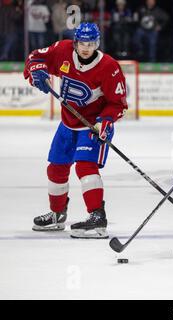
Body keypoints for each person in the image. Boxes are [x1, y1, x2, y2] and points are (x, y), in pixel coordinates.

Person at [24, 22, 128, 238]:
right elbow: (35, 57)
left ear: (97, 43)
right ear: (75, 42)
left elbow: (118, 103)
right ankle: (57, 214)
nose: (86, 48)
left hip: (92, 126)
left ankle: (97, 217)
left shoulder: (109, 67)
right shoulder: (62, 50)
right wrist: (37, 73)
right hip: (67, 123)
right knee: (56, 168)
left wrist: (105, 121)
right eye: (82, 43)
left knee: (85, 167)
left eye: (91, 43)